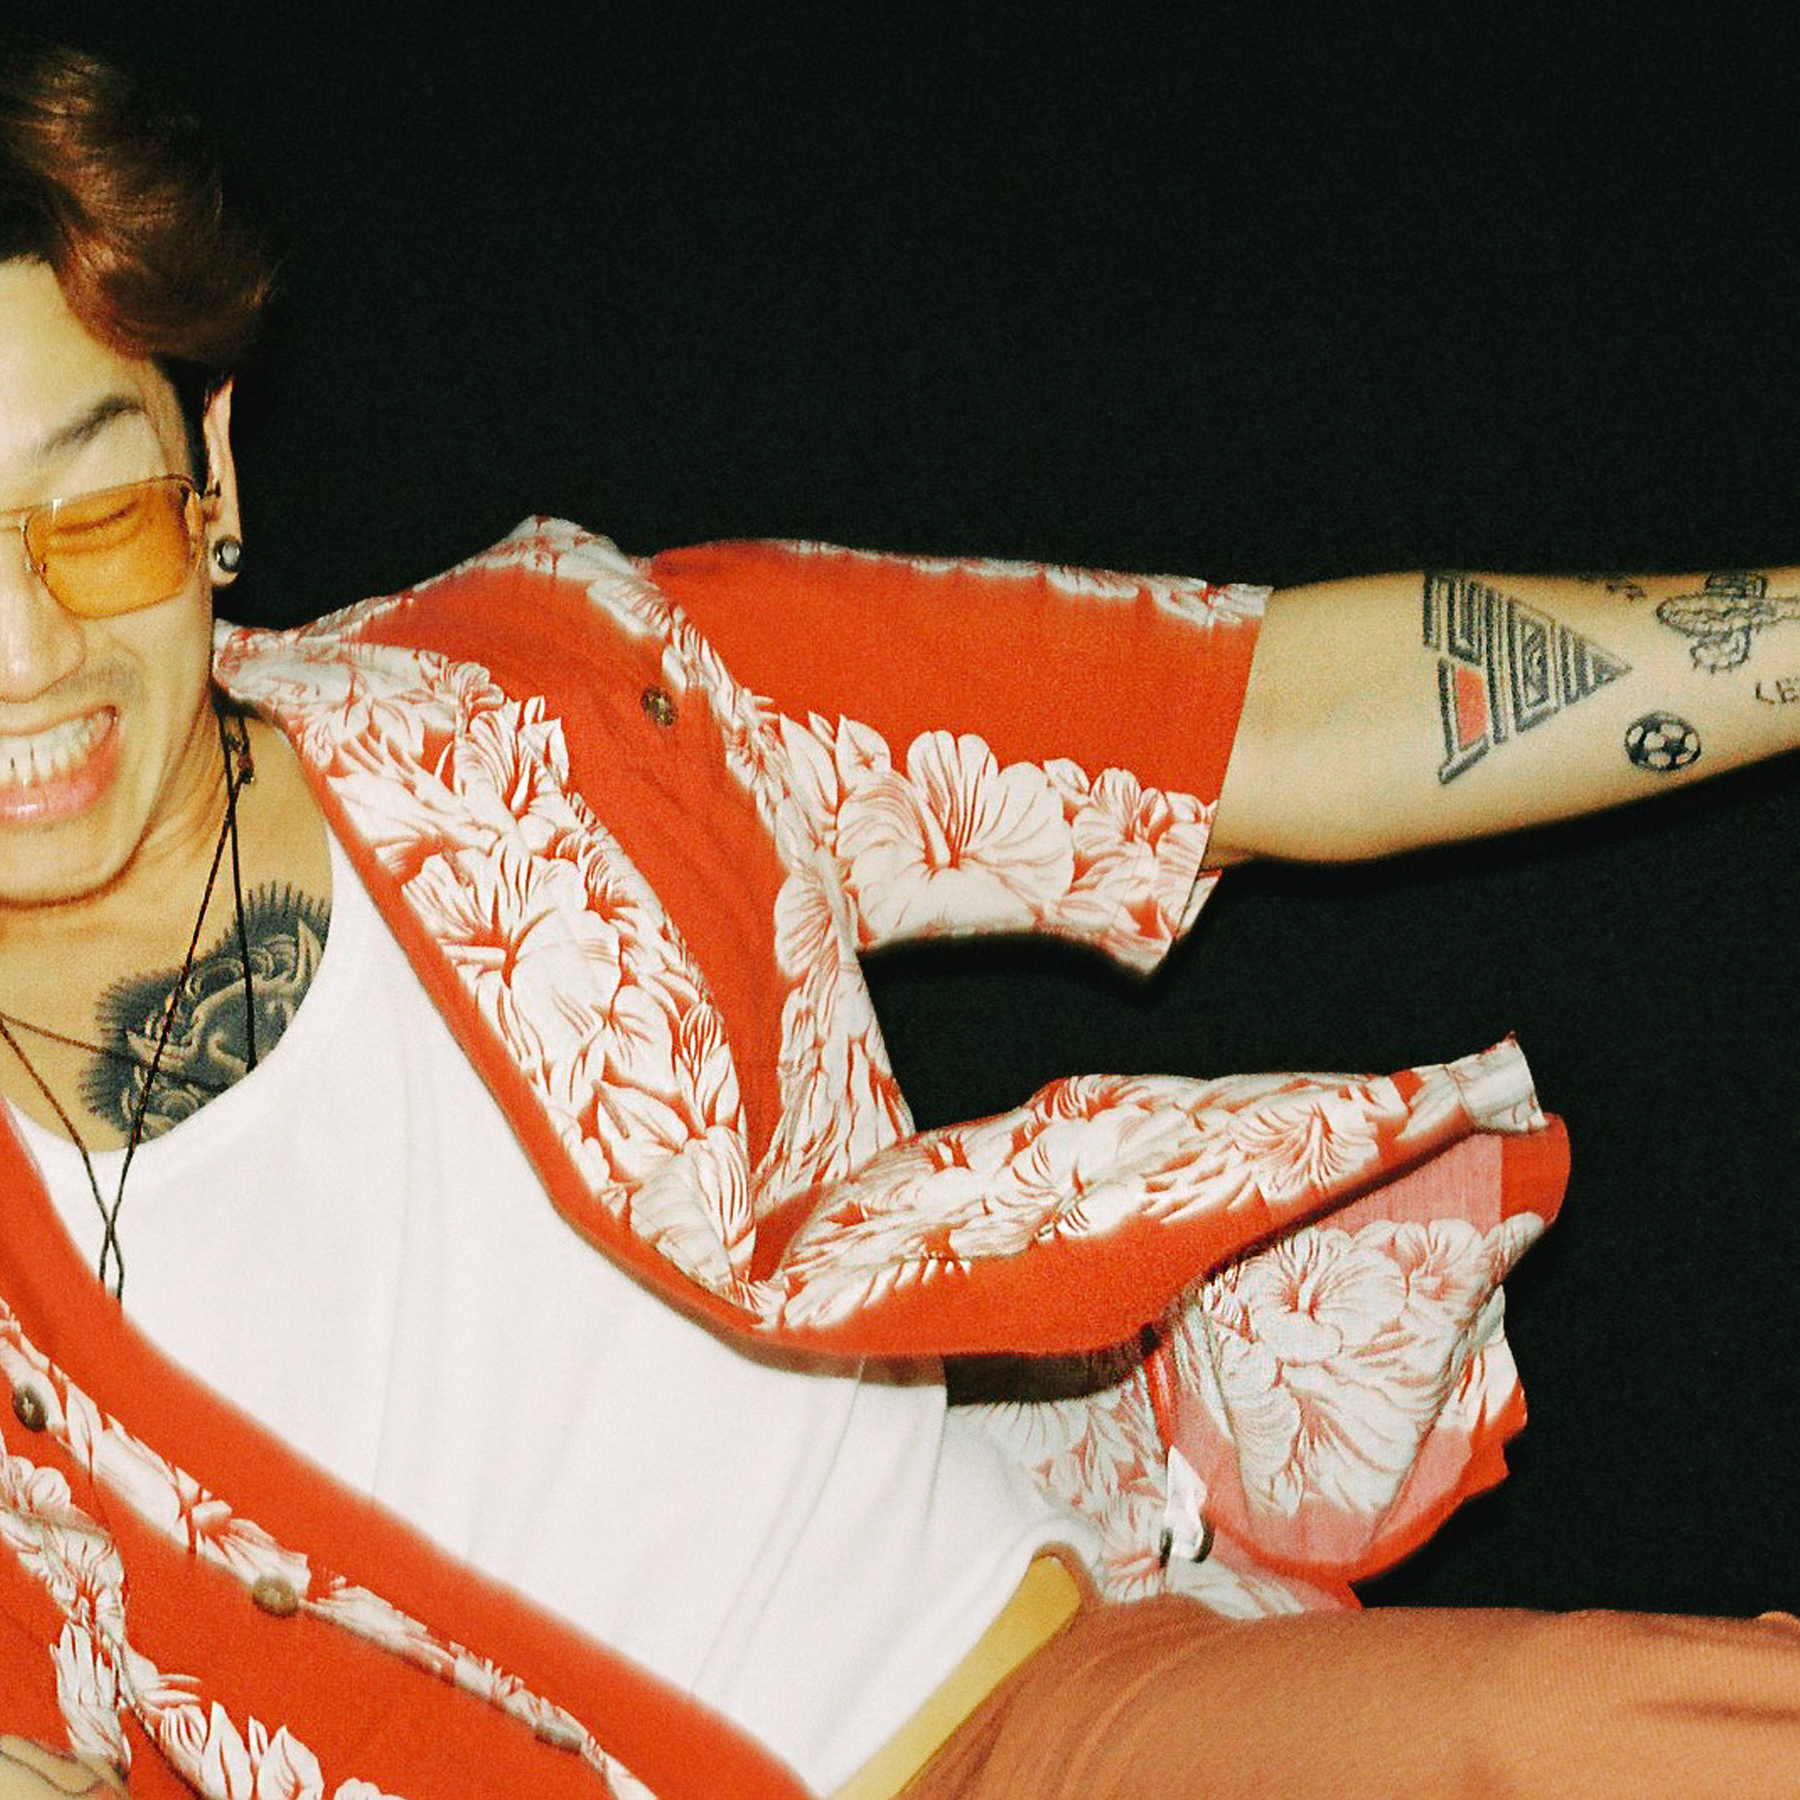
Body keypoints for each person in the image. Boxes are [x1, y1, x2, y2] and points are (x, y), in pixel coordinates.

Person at [0, 38, 1797, 1800]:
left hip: (1045, 1735)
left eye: (90, 513)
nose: (27, 657)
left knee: (1586, 1737)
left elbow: (1260, 715)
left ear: (210, 472)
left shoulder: (564, 699)